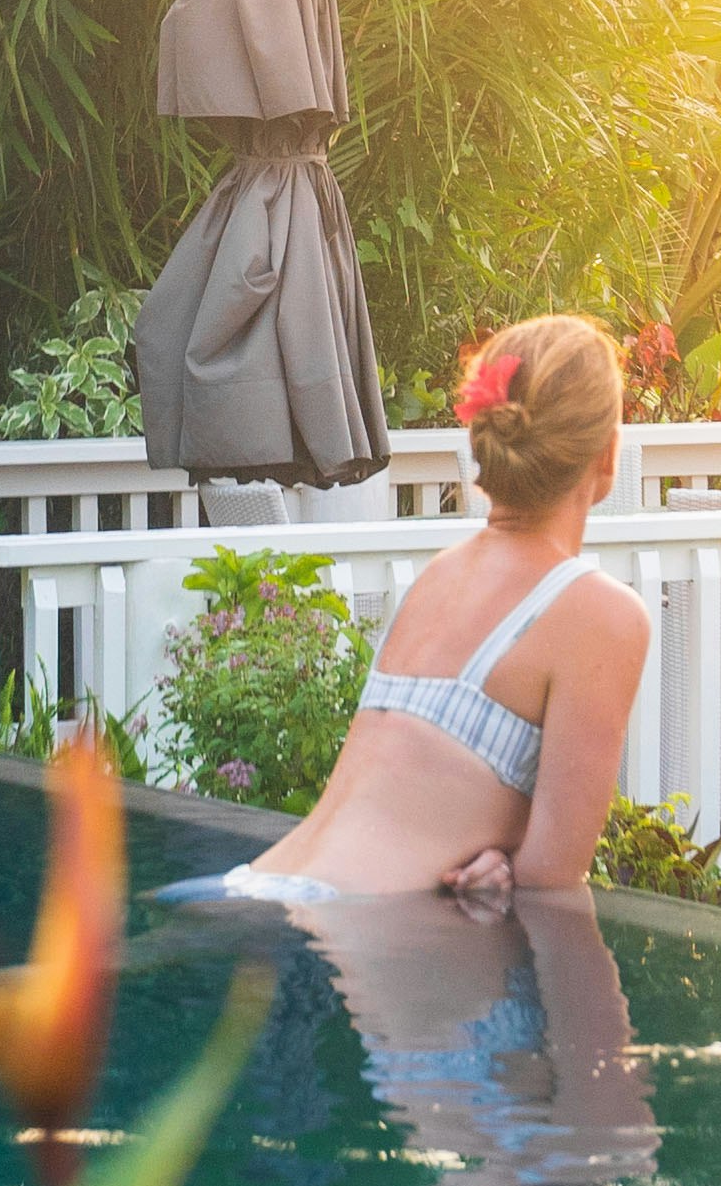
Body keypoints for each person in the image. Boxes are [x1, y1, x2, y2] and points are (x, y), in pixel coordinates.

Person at [209, 314, 650, 901]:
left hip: (249, 890)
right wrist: (515, 866)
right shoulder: (601, 615)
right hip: (329, 939)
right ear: (607, 455)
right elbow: (551, 884)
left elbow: (427, 801)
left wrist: (499, 859)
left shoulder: (440, 576)